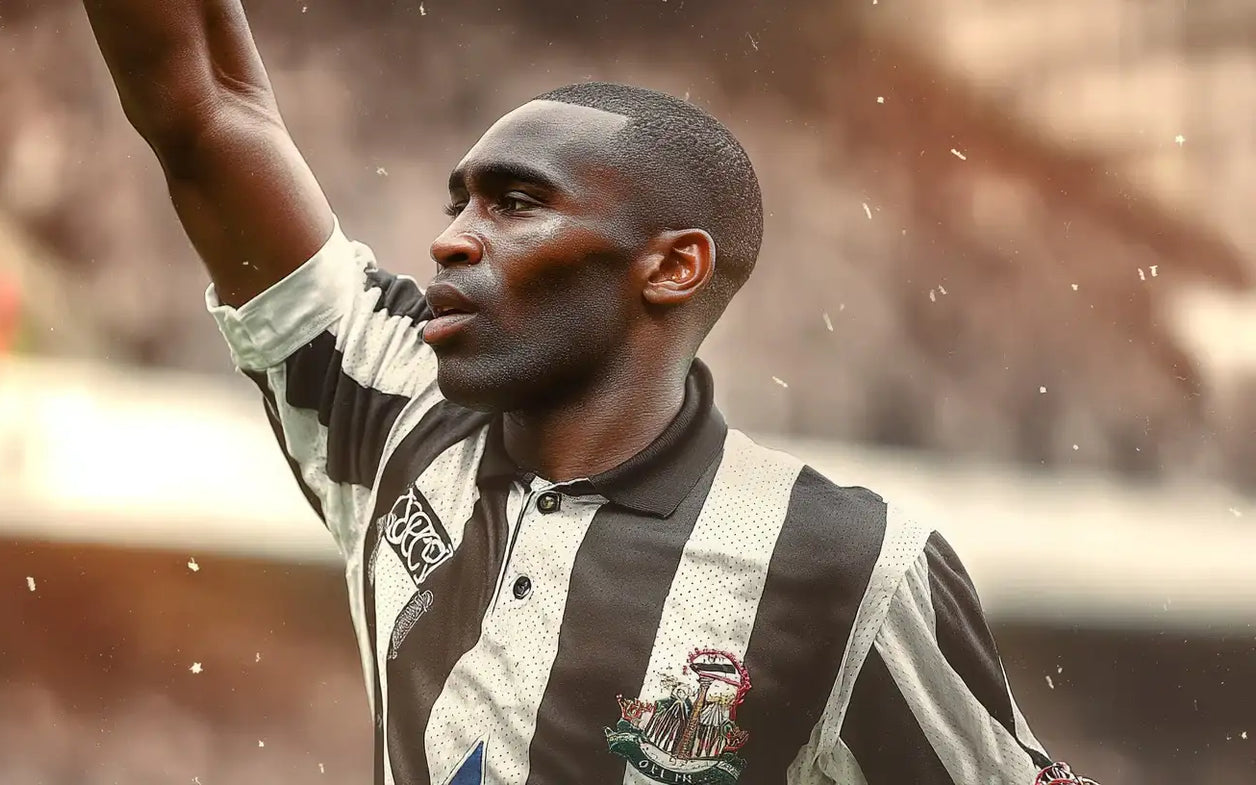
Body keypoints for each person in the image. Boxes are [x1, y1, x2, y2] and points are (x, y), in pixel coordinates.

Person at [82, 2, 1099, 784]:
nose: (450, 236)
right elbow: (205, 109)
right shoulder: (392, 411)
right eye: (460, 200)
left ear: (671, 268)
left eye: (516, 203)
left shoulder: (847, 562)